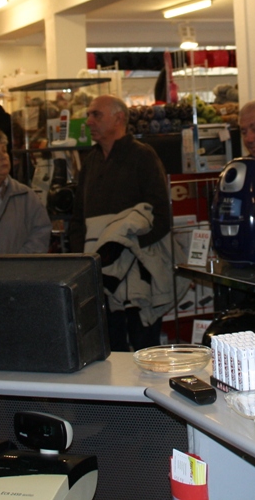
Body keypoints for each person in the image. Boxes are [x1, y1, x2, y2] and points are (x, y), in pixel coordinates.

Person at [67, 95, 171, 350]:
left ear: (119, 118)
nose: (89, 121)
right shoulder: (90, 161)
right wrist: (85, 257)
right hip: (100, 276)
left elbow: (160, 216)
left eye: (96, 115)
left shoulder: (143, 156)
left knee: (145, 349)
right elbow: (78, 217)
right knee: (109, 350)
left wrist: (128, 248)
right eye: (88, 115)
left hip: (137, 276)